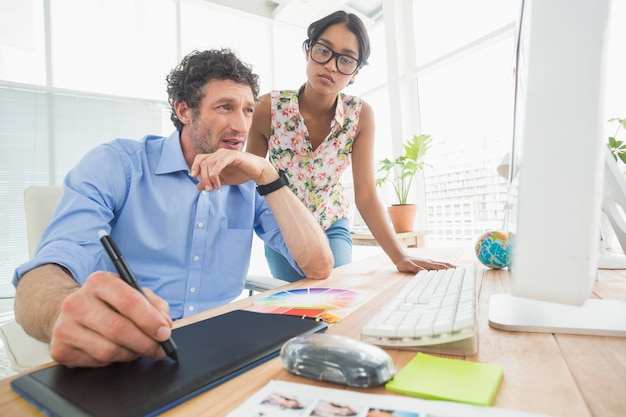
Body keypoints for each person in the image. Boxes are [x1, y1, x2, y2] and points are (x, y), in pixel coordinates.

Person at [12, 48, 334, 368]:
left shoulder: (253, 182)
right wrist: (63, 311)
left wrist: (268, 174)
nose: (241, 125)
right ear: (184, 111)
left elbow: (318, 265)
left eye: (248, 110)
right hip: (134, 348)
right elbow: (47, 272)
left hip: (222, 344)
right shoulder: (117, 164)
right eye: (225, 107)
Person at [247, 11, 454, 281]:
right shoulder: (267, 108)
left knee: (338, 292)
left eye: (345, 60)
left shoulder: (360, 115)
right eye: (324, 51)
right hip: (284, 224)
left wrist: (400, 256)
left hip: (331, 221)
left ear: (355, 72)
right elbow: (247, 181)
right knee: (299, 303)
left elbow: (366, 195)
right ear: (308, 51)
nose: (331, 66)